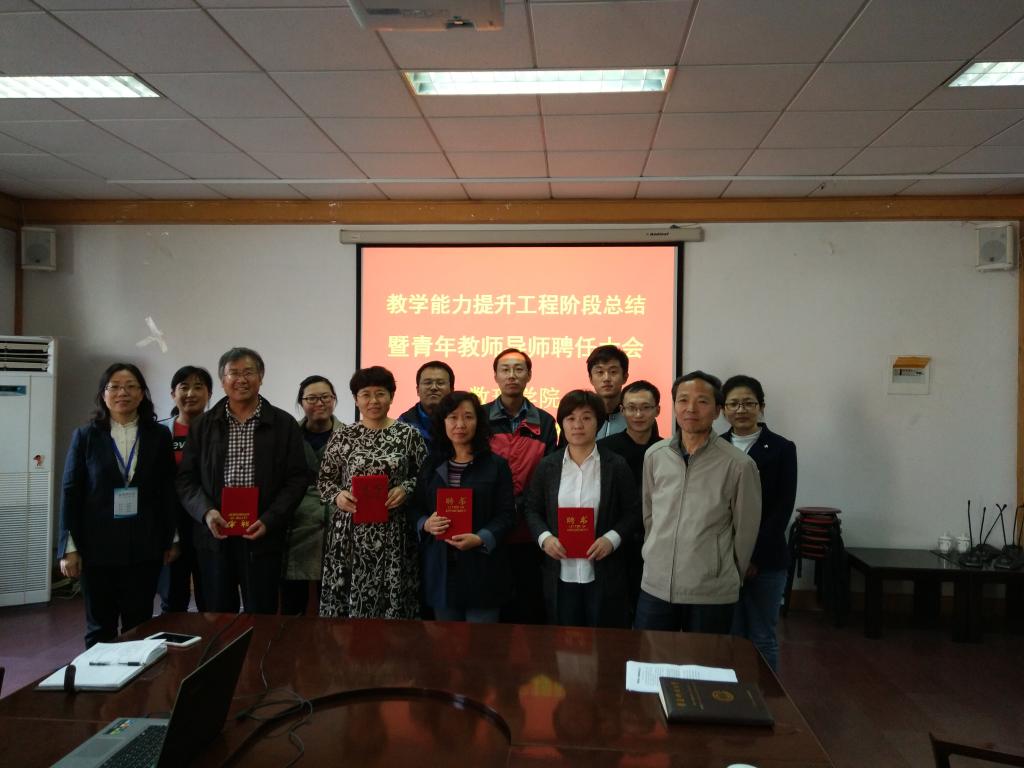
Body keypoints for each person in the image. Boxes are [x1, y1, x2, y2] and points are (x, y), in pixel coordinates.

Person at [177, 347, 307, 614]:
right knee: (217, 615)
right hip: (215, 535)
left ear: (261, 377)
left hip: (263, 535)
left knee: (262, 613)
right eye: (233, 373)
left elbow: (297, 479)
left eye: (249, 372)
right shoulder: (202, 425)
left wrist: (270, 519)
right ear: (222, 380)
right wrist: (206, 512)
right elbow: (186, 479)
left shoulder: (283, 424)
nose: (241, 379)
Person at [58, 363, 178, 647]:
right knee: (100, 627)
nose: (123, 393)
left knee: (139, 624)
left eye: (131, 386)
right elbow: (71, 492)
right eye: (115, 387)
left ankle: (138, 675)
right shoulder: (85, 436)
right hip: (97, 549)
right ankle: (97, 675)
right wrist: (69, 548)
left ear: (142, 394)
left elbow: (167, 491)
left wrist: (172, 538)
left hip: (144, 547)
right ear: (103, 394)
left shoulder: (159, 435)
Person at [635, 371, 761, 634]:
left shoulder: (739, 464)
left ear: (717, 411)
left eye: (702, 401)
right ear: (674, 406)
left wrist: (725, 574)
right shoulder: (655, 456)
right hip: (656, 585)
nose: (690, 408)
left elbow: (745, 531)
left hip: (710, 591)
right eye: (683, 400)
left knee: (705, 658)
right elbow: (649, 516)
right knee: (652, 655)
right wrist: (653, 554)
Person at [524, 390, 640, 628]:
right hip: (560, 571)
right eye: (571, 418)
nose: (578, 425)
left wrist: (611, 539)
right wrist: (545, 539)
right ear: (562, 423)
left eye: (586, 418)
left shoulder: (616, 465)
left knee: (603, 638)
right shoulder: (548, 466)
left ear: (598, 423)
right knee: (564, 640)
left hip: (603, 571)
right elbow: (532, 509)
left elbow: (633, 512)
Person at [319, 366, 426, 619]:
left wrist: (406, 488)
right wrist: (338, 496)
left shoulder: (408, 435)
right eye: (366, 394)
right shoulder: (343, 436)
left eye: (380, 393)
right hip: (350, 533)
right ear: (356, 399)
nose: (373, 401)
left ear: (391, 396)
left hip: (395, 531)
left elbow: (425, 478)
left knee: (393, 604)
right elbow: (324, 480)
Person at [411, 391, 515, 622]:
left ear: (479, 422)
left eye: (468, 417)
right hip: (442, 570)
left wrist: (481, 538)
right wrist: (425, 524)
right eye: (452, 417)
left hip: (483, 569)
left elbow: (507, 514)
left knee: (481, 641)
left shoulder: (496, 465)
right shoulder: (430, 464)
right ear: (443, 422)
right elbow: (415, 508)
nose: (460, 424)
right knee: (445, 641)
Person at [721, 375, 797, 672]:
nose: (741, 410)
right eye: (733, 404)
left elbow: (781, 509)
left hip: (765, 560)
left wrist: (751, 556)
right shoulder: (715, 446)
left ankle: (767, 696)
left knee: (762, 636)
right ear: (723, 410)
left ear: (761, 407)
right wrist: (731, 556)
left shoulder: (781, 448)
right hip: (723, 559)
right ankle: (732, 694)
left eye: (748, 403)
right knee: (731, 634)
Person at [485, 348, 557, 624]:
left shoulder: (545, 421)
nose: (511, 375)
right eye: (505, 369)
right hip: (489, 526)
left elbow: (548, 474)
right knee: (494, 606)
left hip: (531, 529)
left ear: (529, 375)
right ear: (495, 376)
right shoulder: (479, 418)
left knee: (529, 606)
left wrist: (523, 506)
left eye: (518, 369)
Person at [597, 379, 661, 624]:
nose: (638, 414)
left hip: (654, 544)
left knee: (650, 619)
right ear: (622, 411)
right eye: (632, 408)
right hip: (613, 542)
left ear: (657, 410)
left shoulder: (668, 451)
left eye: (645, 407)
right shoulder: (604, 449)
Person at [281, 375, 342, 616]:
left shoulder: (350, 435)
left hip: (336, 526)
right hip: (295, 525)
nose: (320, 403)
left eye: (326, 397)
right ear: (301, 402)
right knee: (293, 606)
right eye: (312, 398)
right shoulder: (287, 435)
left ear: (334, 400)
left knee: (334, 607)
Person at [158, 365, 213, 613]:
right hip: (171, 523)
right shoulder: (160, 433)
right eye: (184, 387)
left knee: (211, 595)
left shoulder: (219, 430)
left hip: (208, 520)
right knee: (172, 595)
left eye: (198, 387)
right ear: (173, 394)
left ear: (209, 394)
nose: (191, 393)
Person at [398, 360, 454, 452]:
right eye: (428, 383)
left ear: (452, 389)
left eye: (440, 383)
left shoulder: (461, 423)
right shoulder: (402, 425)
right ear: (417, 390)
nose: (433, 387)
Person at [587, 345, 630, 440]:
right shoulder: (579, 417)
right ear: (590, 378)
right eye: (600, 372)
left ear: (625, 377)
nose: (606, 378)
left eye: (613, 372)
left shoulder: (636, 417)